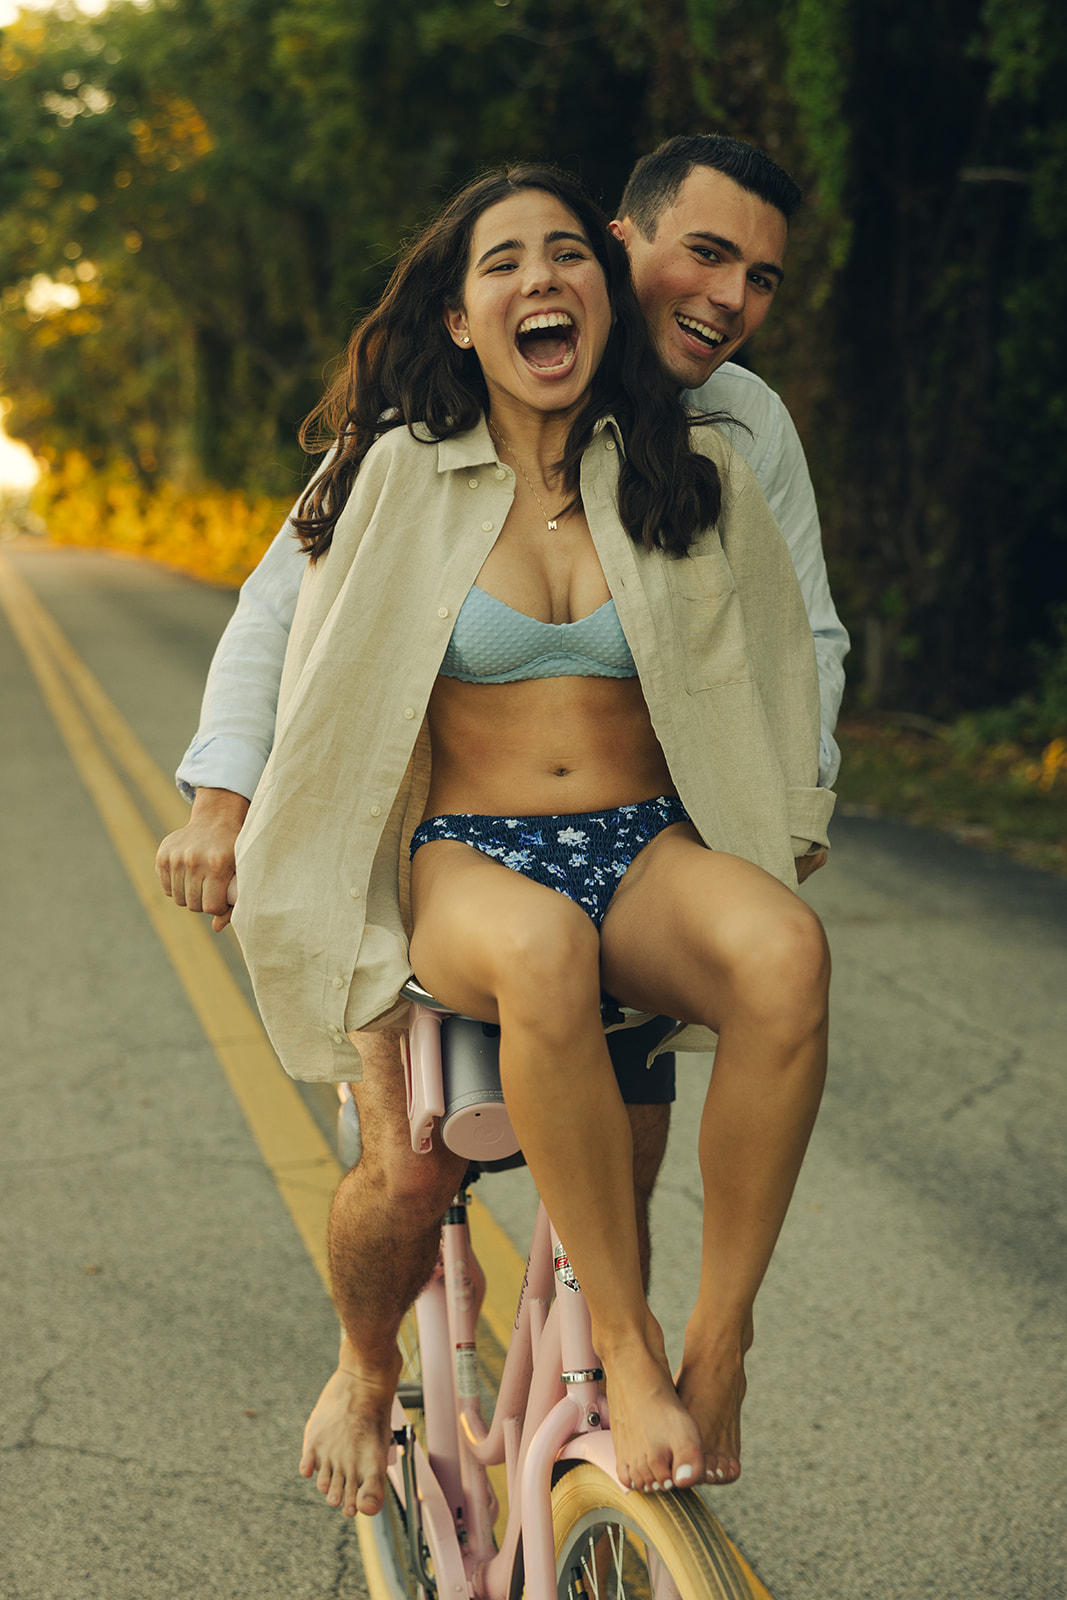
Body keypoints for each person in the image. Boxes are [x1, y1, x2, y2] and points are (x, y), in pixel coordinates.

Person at [156, 134, 846, 1516]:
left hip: (643, 842)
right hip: (464, 861)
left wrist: (787, 804)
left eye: (760, 277)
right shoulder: (395, 467)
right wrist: (227, 803)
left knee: (783, 953)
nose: (726, 297)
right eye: (704, 256)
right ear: (627, 243)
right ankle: (369, 1370)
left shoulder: (724, 442)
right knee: (413, 1168)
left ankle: (708, 1341)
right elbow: (279, 622)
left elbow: (794, 639)